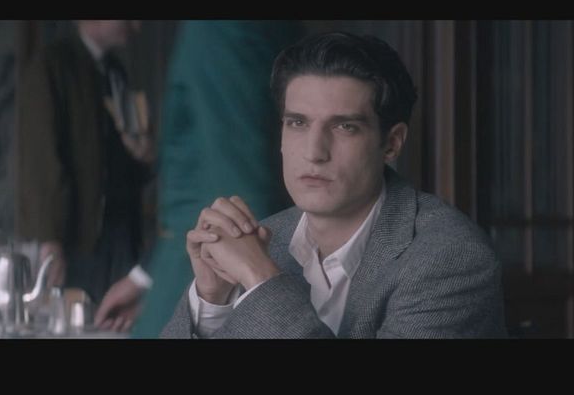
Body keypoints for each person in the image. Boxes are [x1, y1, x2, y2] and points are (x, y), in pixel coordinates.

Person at [160, 32, 507, 338]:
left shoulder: (449, 258)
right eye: (297, 123)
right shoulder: (267, 239)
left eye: (344, 127)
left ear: (391, 143)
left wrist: (260, 277)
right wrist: (212, 300)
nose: (314, 152)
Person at [94, 21, 301, 334]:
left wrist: (261, 288)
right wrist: (147, 277)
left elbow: (245, 185)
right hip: (188, 266)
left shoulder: (223, 30)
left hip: (210, 271)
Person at [16, 20, 154, 306]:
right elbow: (40, 158)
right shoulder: (51, 66)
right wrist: (50, 238)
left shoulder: (115, 71)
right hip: (75, 239)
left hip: (122, 235)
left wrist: (144, 157)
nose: (136, 26)